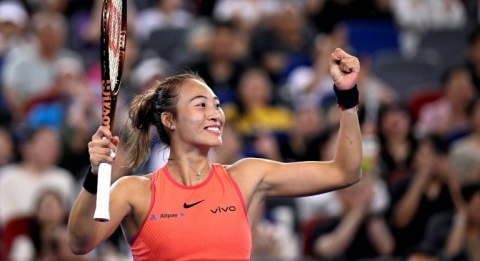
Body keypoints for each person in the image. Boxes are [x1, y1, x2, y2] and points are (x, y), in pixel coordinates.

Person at [67, 47, 362, 260]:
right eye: (201, 105)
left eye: (217, 105)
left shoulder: (246, 176)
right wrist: (95, 177)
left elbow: (344, 172)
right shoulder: (134, 191)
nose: (216, 114)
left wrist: (347, 100)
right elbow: (80, 242)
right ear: (170, 120)